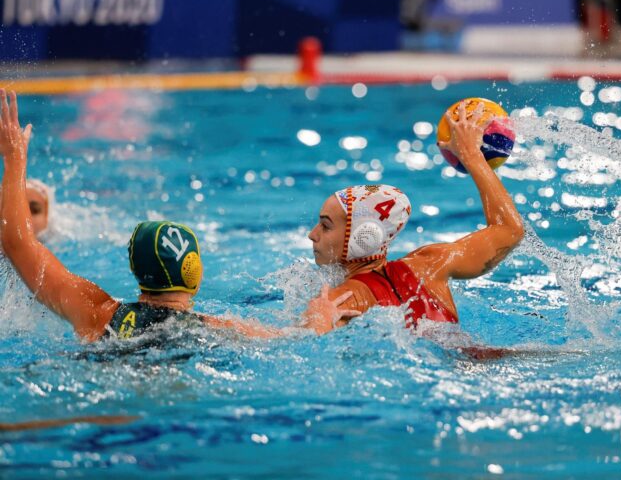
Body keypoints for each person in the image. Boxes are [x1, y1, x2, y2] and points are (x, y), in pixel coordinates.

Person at [0, 90, 355, 343]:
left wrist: (15, 158)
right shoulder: (213, 330)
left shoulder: (97, 311)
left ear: (135, 269)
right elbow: (293, 339)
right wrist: (319, 318)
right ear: (194, 274)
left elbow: (17, 243)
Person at [307, 101, 524, 334]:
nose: (312, 234)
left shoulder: (339, 301)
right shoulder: (431, 265)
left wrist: (319, 321)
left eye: (325, 226)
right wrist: (473, 156)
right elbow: (509, 230)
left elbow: (299, 343)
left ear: (363, 237)